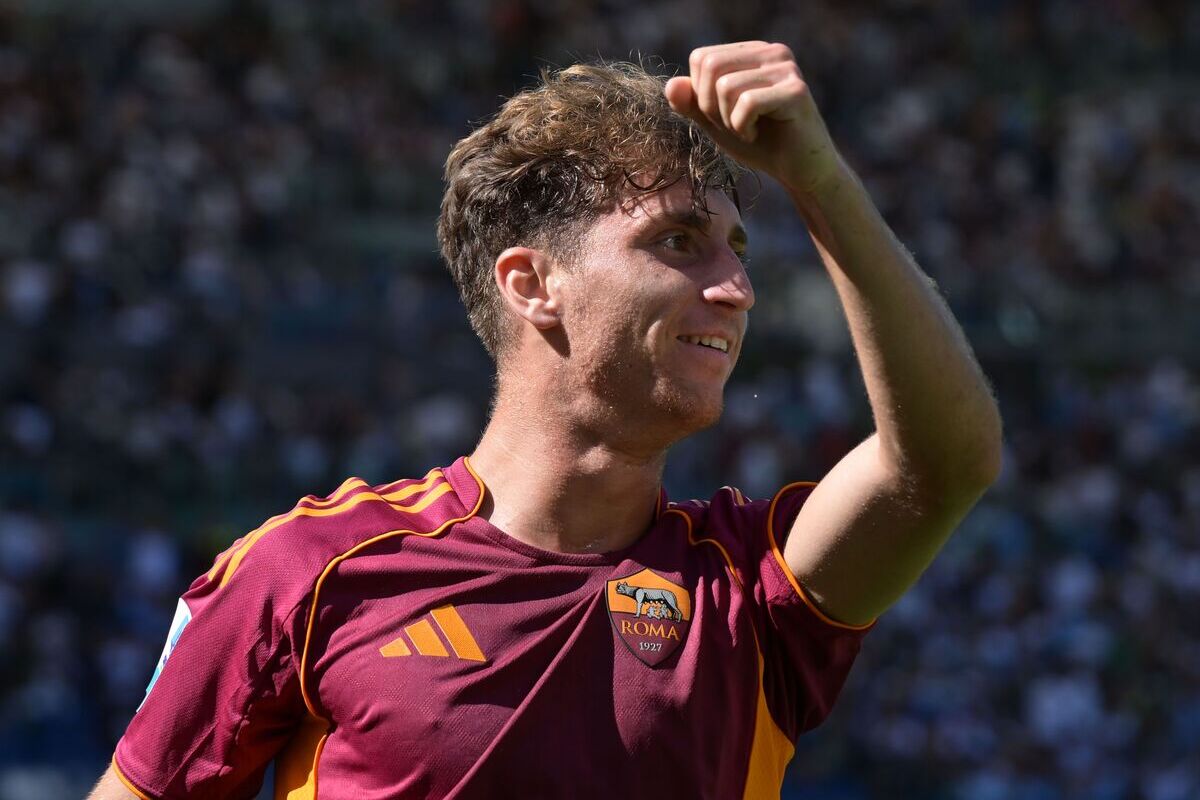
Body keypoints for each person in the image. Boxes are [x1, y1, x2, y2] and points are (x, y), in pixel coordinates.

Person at [89, 41, 1002, 799]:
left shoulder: (750, 588)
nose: (737, 289)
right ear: (533, 284)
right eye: (678, 242)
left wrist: (822, 180)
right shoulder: (306, 572)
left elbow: (944, 464)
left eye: (739, 251)